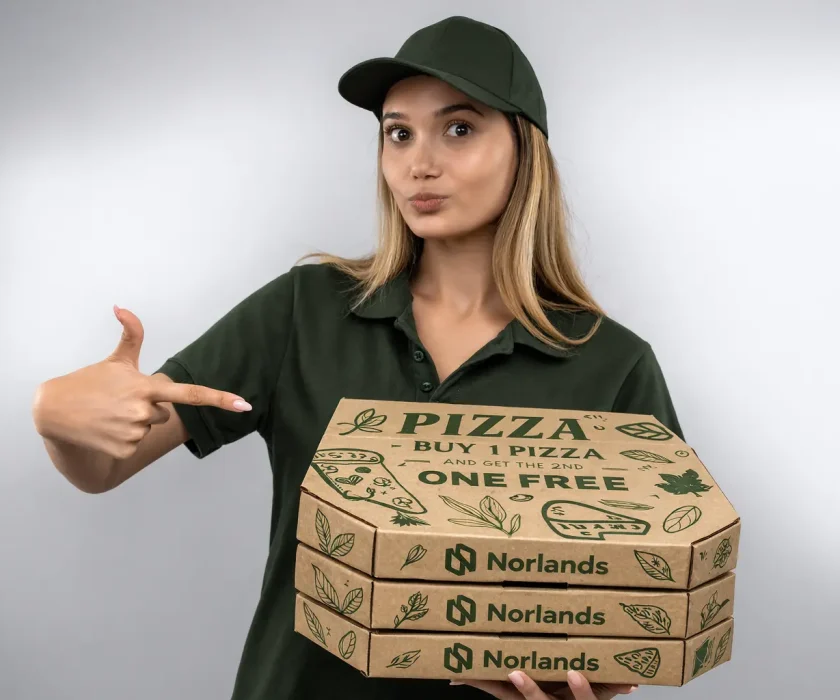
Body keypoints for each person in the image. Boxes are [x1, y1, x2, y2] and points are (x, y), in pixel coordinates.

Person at [31, 15, 683, 700]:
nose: (418, 163)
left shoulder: (613, 364)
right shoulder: (303, 311)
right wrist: (58, 418)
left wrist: (592, 683)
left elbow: (642, 611)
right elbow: (105, 464)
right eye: (398, 133)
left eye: (459, 129)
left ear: (525, 148)